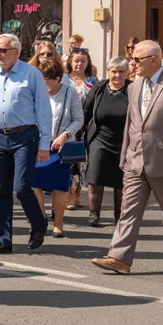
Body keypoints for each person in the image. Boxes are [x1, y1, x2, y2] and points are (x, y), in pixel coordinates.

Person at [91, 40, 163, 275]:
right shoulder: (134, 86)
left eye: (137, 59)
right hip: (135, 160)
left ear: (155, 60)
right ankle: (119, 258)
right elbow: (131, 123)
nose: (132, 63)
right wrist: (124, 157)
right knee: (129, 212)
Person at [0, 34, 52, 254]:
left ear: (16, 53)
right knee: (3, 190)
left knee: (22, 187)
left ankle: (38, 224)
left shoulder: (32, 74)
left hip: (25, 136)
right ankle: (4, 239)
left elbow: (43, 111)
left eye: (2, 50)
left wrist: (44, 144)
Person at [31, 61, 83, 238]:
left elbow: (78, 119)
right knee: (34, 184)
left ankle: (58, 223)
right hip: (38, 144)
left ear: (57, 79)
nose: (42, 83)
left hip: (60, 146)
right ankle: (41, 219)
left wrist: (65, 135)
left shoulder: (69, 93)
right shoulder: (36, 92)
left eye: (45, 80)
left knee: (59, 187)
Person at [82, 58, 131, 227]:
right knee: (95, 177)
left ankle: (120, 215)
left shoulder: (132, 89)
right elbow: (85, 113)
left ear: (127, 72)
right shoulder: (99, 88)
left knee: (121, 181)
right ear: (108, 72)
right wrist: (78, 136)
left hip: (125, 141)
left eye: (121, 71)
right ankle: (94, 214)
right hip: (99, 138)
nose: (117, 75)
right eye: (114, 71)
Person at [66, 49, 96, 211]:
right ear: (70, 61)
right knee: (71, 162)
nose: (79, 64)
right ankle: (70, 196)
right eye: (76, 60)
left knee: (82, 162)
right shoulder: (65, 80)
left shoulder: (92, 80)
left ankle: (77, 196)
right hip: (68, 125)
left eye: (83, 61)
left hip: (86, 126)